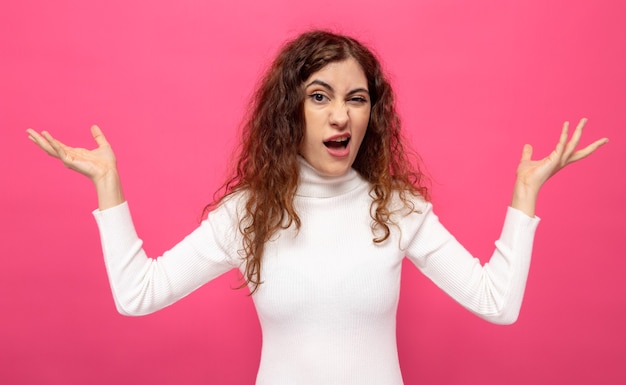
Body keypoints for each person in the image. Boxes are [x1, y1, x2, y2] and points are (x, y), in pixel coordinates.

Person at [26, 30, 608, 384]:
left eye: (356, 99)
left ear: (369, 116)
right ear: (291, 114)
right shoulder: (246, 214)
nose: (340, 115)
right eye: (320, 96)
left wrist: (524, 195)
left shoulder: (397, 208)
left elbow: (496, 303)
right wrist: (108, 183)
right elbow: (138, 294)